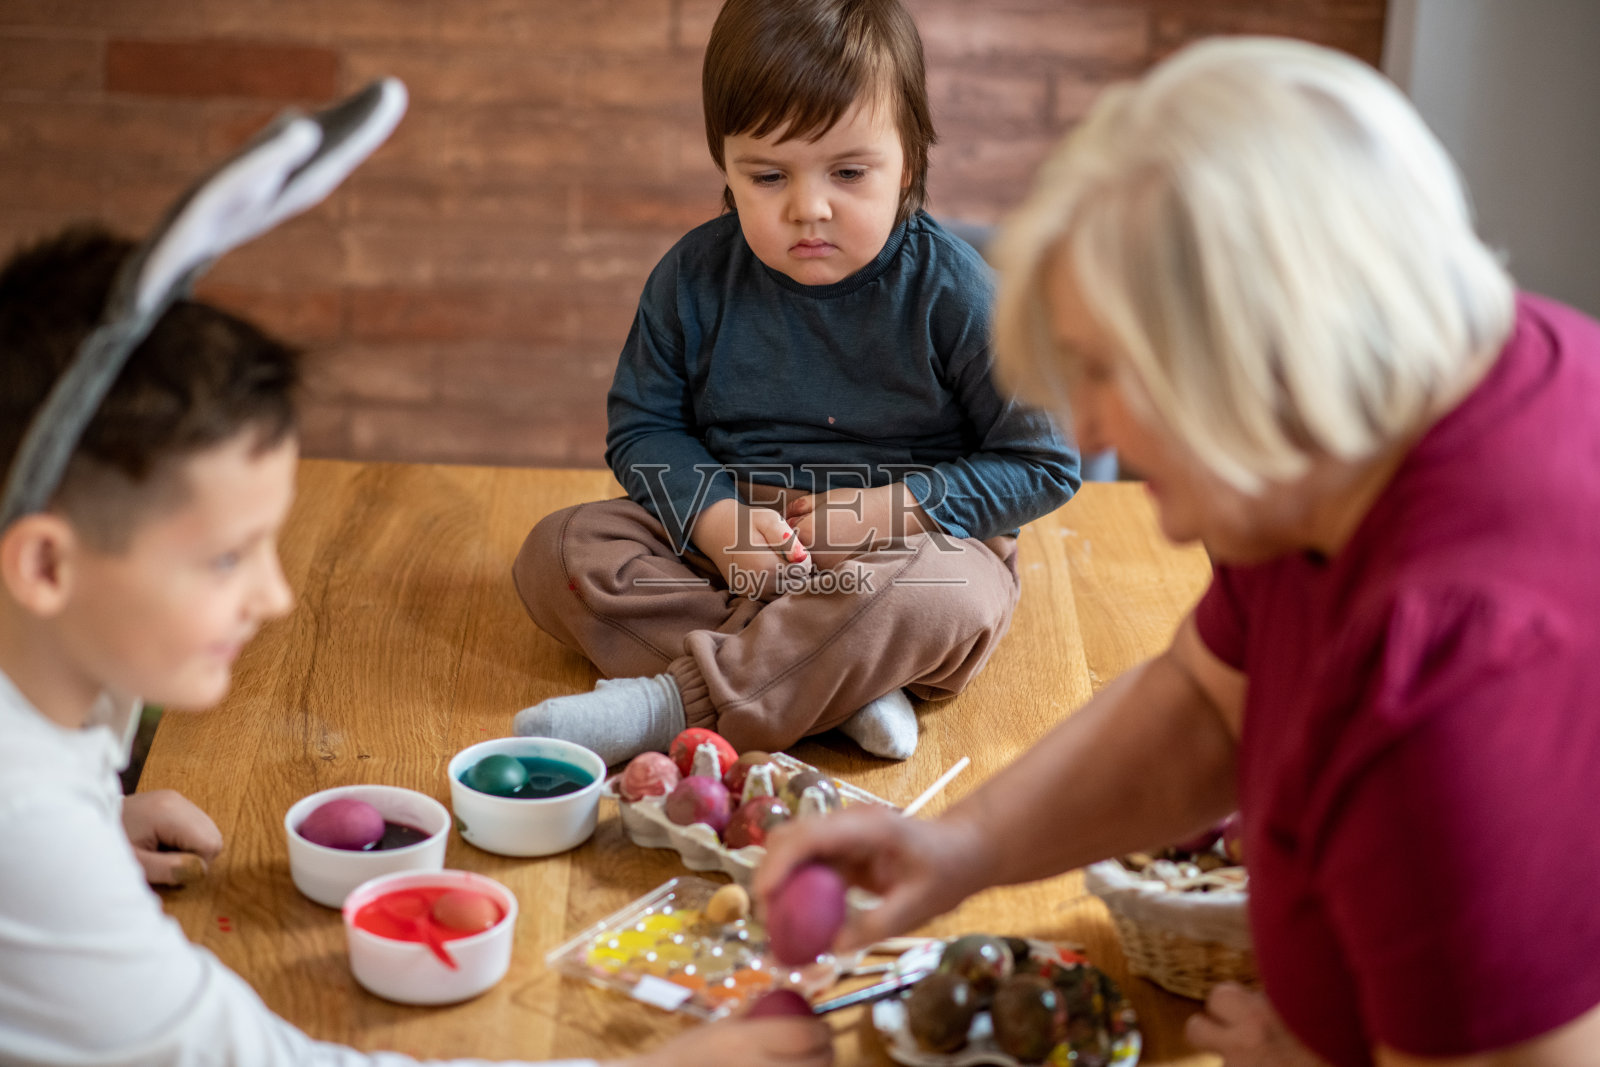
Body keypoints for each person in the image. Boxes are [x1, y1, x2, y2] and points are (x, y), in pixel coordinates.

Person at [756, 35, 1600, 1067]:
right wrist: (956, 849)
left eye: (1109, 369)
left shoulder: (1460, 681)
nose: (1092, 429)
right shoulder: (1345, 438)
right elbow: (1211, 698)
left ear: (1262, 349)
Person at [0, 226, 833, 1067]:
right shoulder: (26, 832)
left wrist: (94, 815)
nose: (274, 595)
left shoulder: (44, 706)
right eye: (223, 557)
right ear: (44, 563)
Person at [510, 0, 1080, 766]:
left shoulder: (956, 292)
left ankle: (679, 701)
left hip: (901, 541)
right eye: (768, 174)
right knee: (559, 551)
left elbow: (1045, 462)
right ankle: (832, 680)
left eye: (849, 172)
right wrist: (719, 526)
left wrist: (881, 512)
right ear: (726, 165)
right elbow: (642, 429)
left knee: (944, 594)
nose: (808, 207)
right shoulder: (693, 277)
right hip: (741, 541)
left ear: (907, 161)